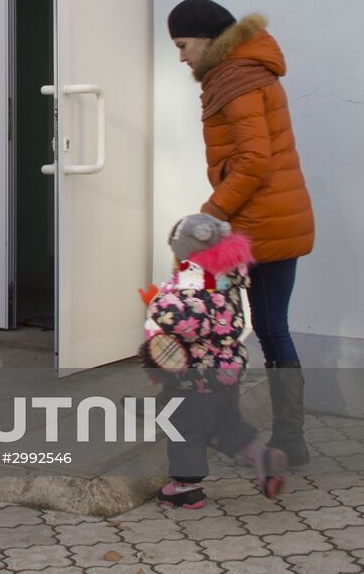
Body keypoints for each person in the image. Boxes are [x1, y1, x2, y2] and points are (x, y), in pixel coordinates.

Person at [168, 0, 314, 467]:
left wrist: (209, 216)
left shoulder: (236, 78)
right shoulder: (243, 70)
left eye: (183, 44)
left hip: (261, 225)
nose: (181, 56)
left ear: (206, 39)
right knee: (267, 327)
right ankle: (286, 438)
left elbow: (253, 160)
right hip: (269, 218)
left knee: (237, 327)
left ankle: (258, 434)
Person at [142, 214, 287, 509]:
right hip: (226, 372)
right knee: (226, 423)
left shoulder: (193, 283)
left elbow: (191, 323)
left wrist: (159, 305)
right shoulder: (226, 278)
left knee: (186, 429)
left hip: (197, 376)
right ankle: (260, 458)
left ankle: (185, 488)